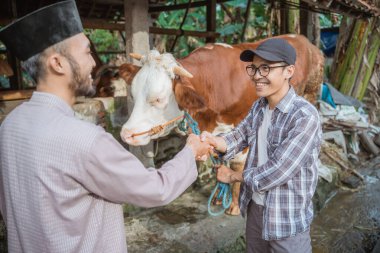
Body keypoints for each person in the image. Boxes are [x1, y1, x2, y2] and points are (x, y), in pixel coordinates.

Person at [0, 1, 212, 252]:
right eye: (87, 52)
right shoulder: (86, 140)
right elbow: (156, 189)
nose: (93, 63)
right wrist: (190, 152)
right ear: (57, 64)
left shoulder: (9, 126)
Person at [201, 38, 322, 253]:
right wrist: (214, 141)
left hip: (287, 217)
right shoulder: (259, 106)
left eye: (266, 68)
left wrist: (233, 176)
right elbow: (239, 136)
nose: (257, 76)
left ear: (289, 71)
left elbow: (279, 170)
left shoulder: (304, 116)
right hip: (256, 209)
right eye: (254, 68)